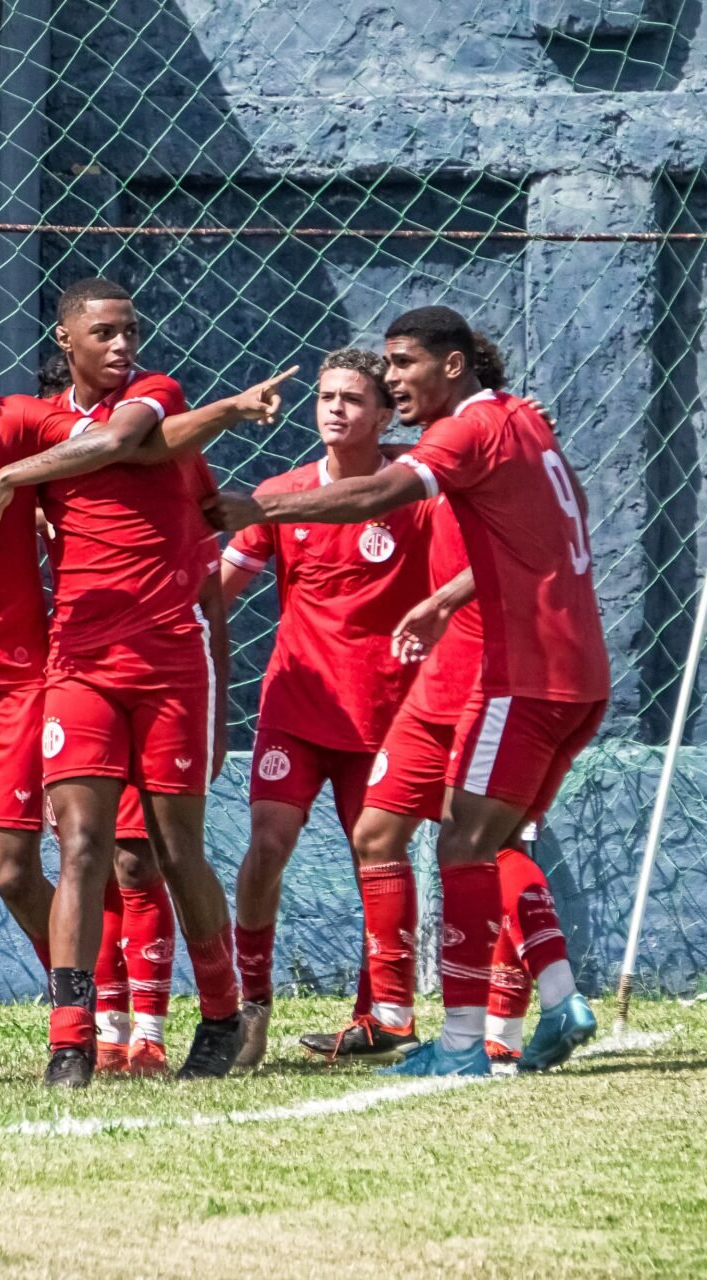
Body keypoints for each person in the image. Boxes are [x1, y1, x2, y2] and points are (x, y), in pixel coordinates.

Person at [0, 291, 284, 1088]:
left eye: (130, 332)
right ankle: (21, 1041)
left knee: (125, 855)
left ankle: (213, 1013)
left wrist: (13, 475)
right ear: (66, 339)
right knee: (20, 847)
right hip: (19, 663)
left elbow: (130, 445)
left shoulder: (45, 418)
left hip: (84, 668)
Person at [216, 306, 609, 1077]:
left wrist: (254, 505)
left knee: (467, 843)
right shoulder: (523, 418)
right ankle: (523, 1004)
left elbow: (375, 495)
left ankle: (470, 1036)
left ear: (453, 366)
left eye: (399, 366)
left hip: (506, 673)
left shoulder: (454, 444)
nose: (389, 381)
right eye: (380, 372)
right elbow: (557, 526)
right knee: (430, 838)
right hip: (569, 672)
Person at [217, 348, 435, 1070]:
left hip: (384, 713)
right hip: (298, 706)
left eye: (351, 398)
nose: (334, 409)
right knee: (267, 845)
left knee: (377, 851)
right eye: (325, 396)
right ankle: (252, 1008)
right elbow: (216, 591)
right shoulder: (280, 495)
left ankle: (381, 1014)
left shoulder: (414, 492)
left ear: (382, 413)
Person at [37, 351, 182, 1078]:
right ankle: (102, 1028)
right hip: (73, 677)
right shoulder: (41, 462)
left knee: (140, 857)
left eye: (130, 330)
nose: (124, 345)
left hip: (159, 672)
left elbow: (209, 565)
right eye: (106, 332)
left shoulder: (155, 421)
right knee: (84, 857)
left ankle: (152, 1030)